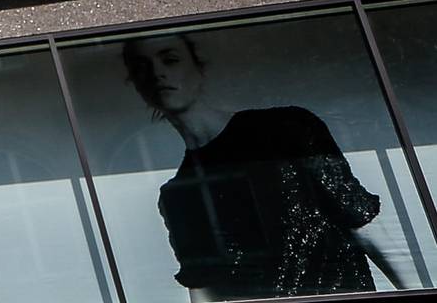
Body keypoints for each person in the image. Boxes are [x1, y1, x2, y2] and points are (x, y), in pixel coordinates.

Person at [121, 32, 422, 299]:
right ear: (136, 85)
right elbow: (203, 288)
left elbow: (364, 224)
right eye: (142, 68)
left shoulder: (287, 128)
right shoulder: (178, 196)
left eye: (170, 60)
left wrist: (416, 292)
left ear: (198, 68)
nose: (157, 74)